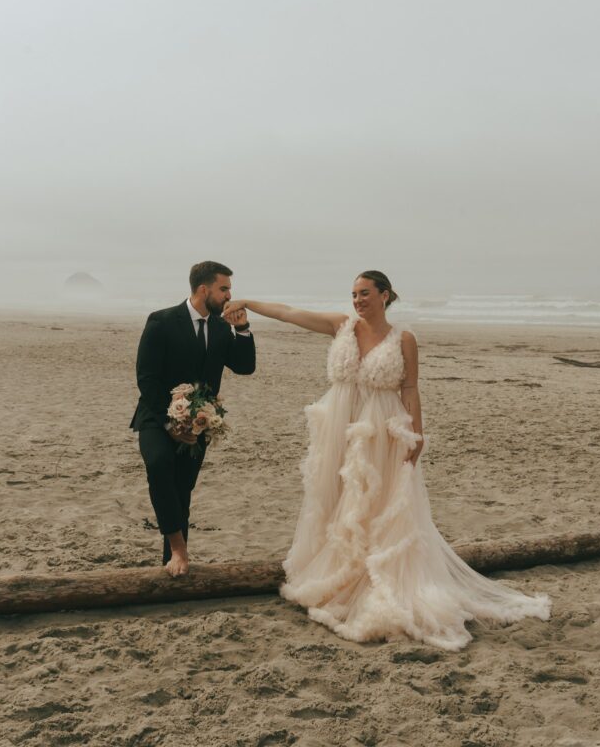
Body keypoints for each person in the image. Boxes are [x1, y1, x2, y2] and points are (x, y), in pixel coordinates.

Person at [223, 270, 551, 649]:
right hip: (340, 426)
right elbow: (289, 313)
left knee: (379, 504)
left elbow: (410, 387)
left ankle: (374, 577)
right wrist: (249, 304)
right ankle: (343, 574)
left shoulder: (404, 339)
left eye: (364, 293)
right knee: (336, 498)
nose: (357, 300)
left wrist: (418, 433)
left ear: (384, 295)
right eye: (353, 294)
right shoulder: (341, 325)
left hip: (382, 430)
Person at [131, 261, 256, 577]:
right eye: (224, 288)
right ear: (205, 289)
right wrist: (171, 422)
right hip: (155, 416)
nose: (230, 296)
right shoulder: (161, 321)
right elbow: (146, 377)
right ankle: (178, 549)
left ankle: (171, 562)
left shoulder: (219, 328)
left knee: (181, 489)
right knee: (159, 465)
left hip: (200, 422)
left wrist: (242, 329)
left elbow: (245, 366)